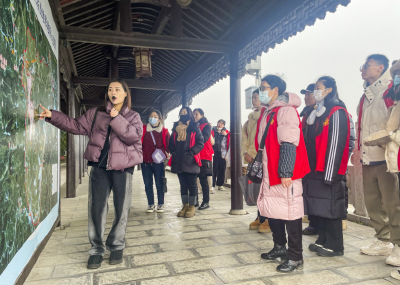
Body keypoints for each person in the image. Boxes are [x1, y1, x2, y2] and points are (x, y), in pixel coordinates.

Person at [39, 80, 143, 269]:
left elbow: (133, 137)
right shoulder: (95, 113)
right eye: (110, 89)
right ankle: (96, 249)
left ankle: (117, 246)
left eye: (117, 89)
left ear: (126, 94)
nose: (113, 92)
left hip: (122, 169)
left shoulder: (134, 116)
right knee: (96, 209)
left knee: (122, 209)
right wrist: (52, 116)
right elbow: (75, 126)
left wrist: (116, 117)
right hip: (99, 167)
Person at [256, 75, 310, 273]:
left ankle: (296, 256)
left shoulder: (286, 111)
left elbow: (289, 141)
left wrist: (286, 171)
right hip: (271, 170)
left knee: (291, 212)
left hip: (284, 171)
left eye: (264, 87)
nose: (261, 90)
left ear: (275, 90)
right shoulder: (268, 112)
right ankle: (279, 247)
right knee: (273, 209)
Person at [357, 54, 400, 266]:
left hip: (387, 158)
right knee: (373, 202)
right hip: (368, 158)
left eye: (366, 66)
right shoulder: (365, 96)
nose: (362, 69)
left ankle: (399, 245)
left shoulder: (391, 91)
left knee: (394, 204)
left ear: (380, 67)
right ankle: (383, 240)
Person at [303, 76, 350, 258]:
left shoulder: (337, 111)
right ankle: (323, 239)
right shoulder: (317, 111)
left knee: (331, 207)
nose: (315, 91)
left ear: (329, 89)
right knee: (320, 206)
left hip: (328, 169)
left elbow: (337, 144)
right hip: (315, 169)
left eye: (318, 87)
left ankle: (335, 245)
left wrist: (330, 172)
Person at [168, 107, 204, 218]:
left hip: (191, 161)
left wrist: (191, 152)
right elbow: (171, 143)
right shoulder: (175, 129)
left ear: (190, 115)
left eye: (185, 113)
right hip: (178, 160)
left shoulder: (194, 128)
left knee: (192, 185)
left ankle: (192, 207)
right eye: (181, 113)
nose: (183, 114)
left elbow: (200, 142)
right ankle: (185, 205)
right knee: (183, 185)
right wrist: (173, 150)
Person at [244, 89, 270, 233]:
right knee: (257, 188)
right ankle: (260, 216)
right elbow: (245, 138)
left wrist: (252, 152)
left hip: (263, 155)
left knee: (266, 188)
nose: (254, 100)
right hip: (252, 157)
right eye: (253, 97)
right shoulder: (250, 118)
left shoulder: (266, 115)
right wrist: (245, 152)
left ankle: (269, 218)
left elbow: (262, 137)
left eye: (256, 97)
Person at [299, 84, 319, 236]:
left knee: (319, 192)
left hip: (319, 160)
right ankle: (313, 222)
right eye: (305, 95)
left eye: (309, 94)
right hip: (307, 160)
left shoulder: (324, 112)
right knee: (310, 192)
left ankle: (320, 223)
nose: (306, 97)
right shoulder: (305, 114)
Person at [141, 109, 170, 213]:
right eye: (151, 116)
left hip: (158, 162)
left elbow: (169, 146)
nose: (152, 118)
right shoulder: (144, 129)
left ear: (159, 119)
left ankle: (161, 204)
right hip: (145, 162)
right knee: (148, 184)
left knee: (159, 183)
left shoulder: (164, 131)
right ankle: (151, 204)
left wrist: (167, 154)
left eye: (155, 116)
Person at [193, 108, 213, 210]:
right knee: (193, 180)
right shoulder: (192, 125)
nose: (195, 116)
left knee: (203, 180)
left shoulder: (206, 126)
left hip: (204, 156)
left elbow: (204, 139)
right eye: (194, 114)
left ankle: (206, 202)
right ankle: (195, 201)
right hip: (194, 155)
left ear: (202, 115)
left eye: (197, 114)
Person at [212, 120, 229, 191]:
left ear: (224, 125)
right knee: (213, 169)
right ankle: (212, 184)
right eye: (219, 123)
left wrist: (225, 135)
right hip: (214, 152)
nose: (220, 125)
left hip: (223, 153)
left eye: (222, 124)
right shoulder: (212, 131)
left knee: (222, 169)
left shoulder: (226, 132)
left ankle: (220, 184)